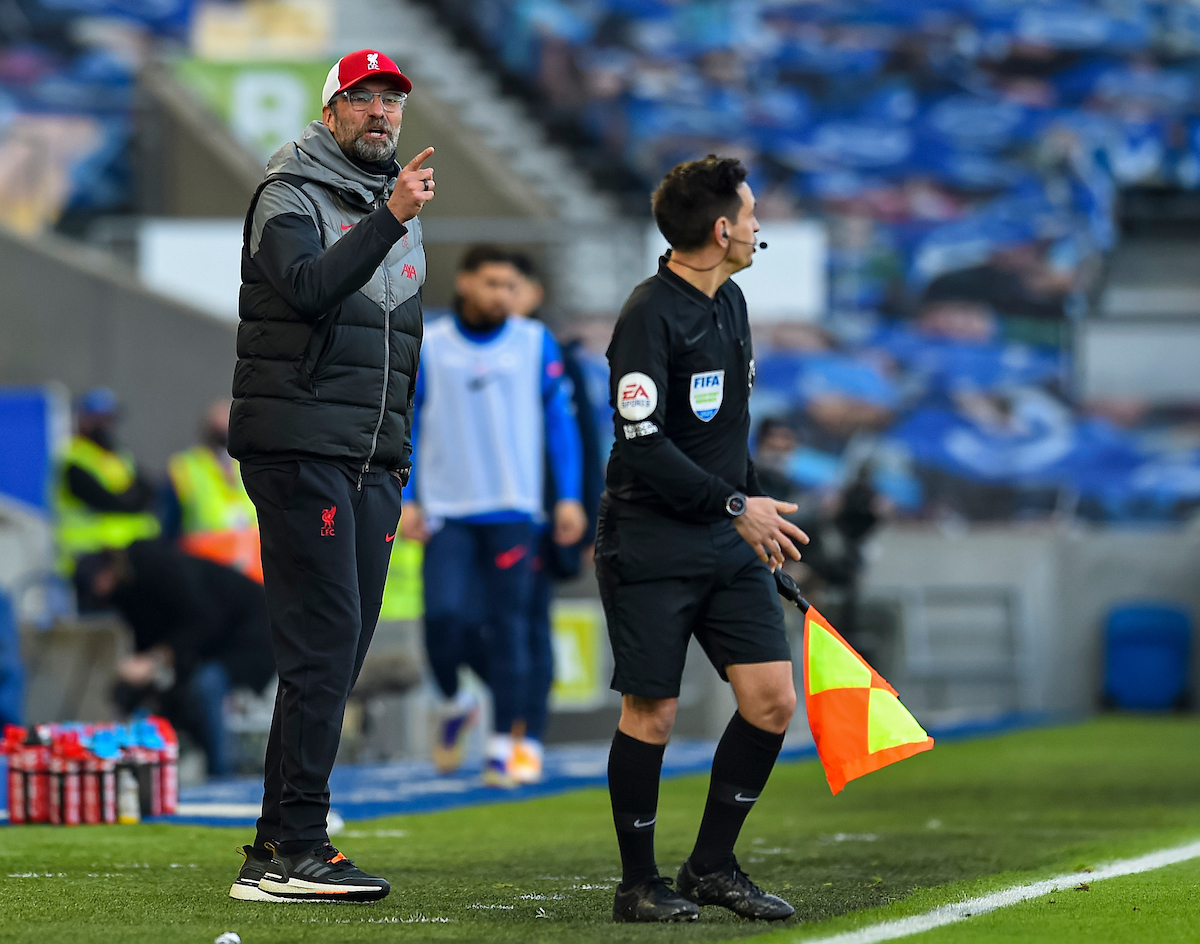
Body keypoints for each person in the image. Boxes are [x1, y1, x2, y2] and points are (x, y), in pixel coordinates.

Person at [226, 48, 435, 904]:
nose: (381, 112)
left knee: (336, 655)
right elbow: (308, 291)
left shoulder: (395, 209)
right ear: (331, 110)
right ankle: (299, 848)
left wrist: (398, 452)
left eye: (392, 100)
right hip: (302, 446)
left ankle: (275, 842)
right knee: (322, 646)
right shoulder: (288, 192)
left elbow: (395, 351)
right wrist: (387, 217)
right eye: (364, 98)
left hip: (369, 458)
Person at [596, 155, 808, 923]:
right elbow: (642, 439)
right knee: (651, 711)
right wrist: (735, 506)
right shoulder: (648, 313)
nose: (758, 228)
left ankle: (711, 867)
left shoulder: (734, 303)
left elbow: (724, 432)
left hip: (727, 536)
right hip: (650, 541)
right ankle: (637, 884)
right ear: (722, 230)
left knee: (772, 700)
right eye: (751, 215)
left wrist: (752, 510)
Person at [401, 246, 585, 787]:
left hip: (514, 510)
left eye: (510, 285)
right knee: (443, 619)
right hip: (448, 513)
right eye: (490, 283)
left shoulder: (534, 343)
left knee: (511, 629)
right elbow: (406, 425)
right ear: (463, 283)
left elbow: (560, 424)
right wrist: (408, 497)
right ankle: (456, 703)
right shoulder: (431, 345)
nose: (501, 294)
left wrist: (568, 497)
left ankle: (507, 745)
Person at [509, 252, 608, 783]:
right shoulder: (453, 350)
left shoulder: (556, 361)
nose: (503, 295)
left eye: (514, 284)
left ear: (534, 294)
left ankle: (526, 736)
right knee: (470, 624)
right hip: (475, 514)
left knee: (527, 623)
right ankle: (494, 721)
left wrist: (590, 516)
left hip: (541, 519)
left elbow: (584, 446)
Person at [80, 540, 274, 777]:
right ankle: (144, 772)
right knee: (143, 693)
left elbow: (203, 620)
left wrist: (155, 659)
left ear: (107, 570)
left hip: (249, 635)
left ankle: (222, 775)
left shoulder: (153, 567)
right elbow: (151, 639)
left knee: (207, 684)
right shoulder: (122, 593)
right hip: (209, 643)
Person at [55, 388, 161, 612]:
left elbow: (148, 492)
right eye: (98, 419)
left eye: (109, 419)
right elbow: (108, 501)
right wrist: (128, 498)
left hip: (131, 554)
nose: (105, 425)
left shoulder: (120, 457)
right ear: (83, 421)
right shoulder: (74, 459)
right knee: (100, 624)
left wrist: (128, 499)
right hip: (93, 558)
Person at [164, 400, 262, 582]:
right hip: (206, 570)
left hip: (251, 572)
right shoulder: (186, 467)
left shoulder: (248, 464)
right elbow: (170, 525)